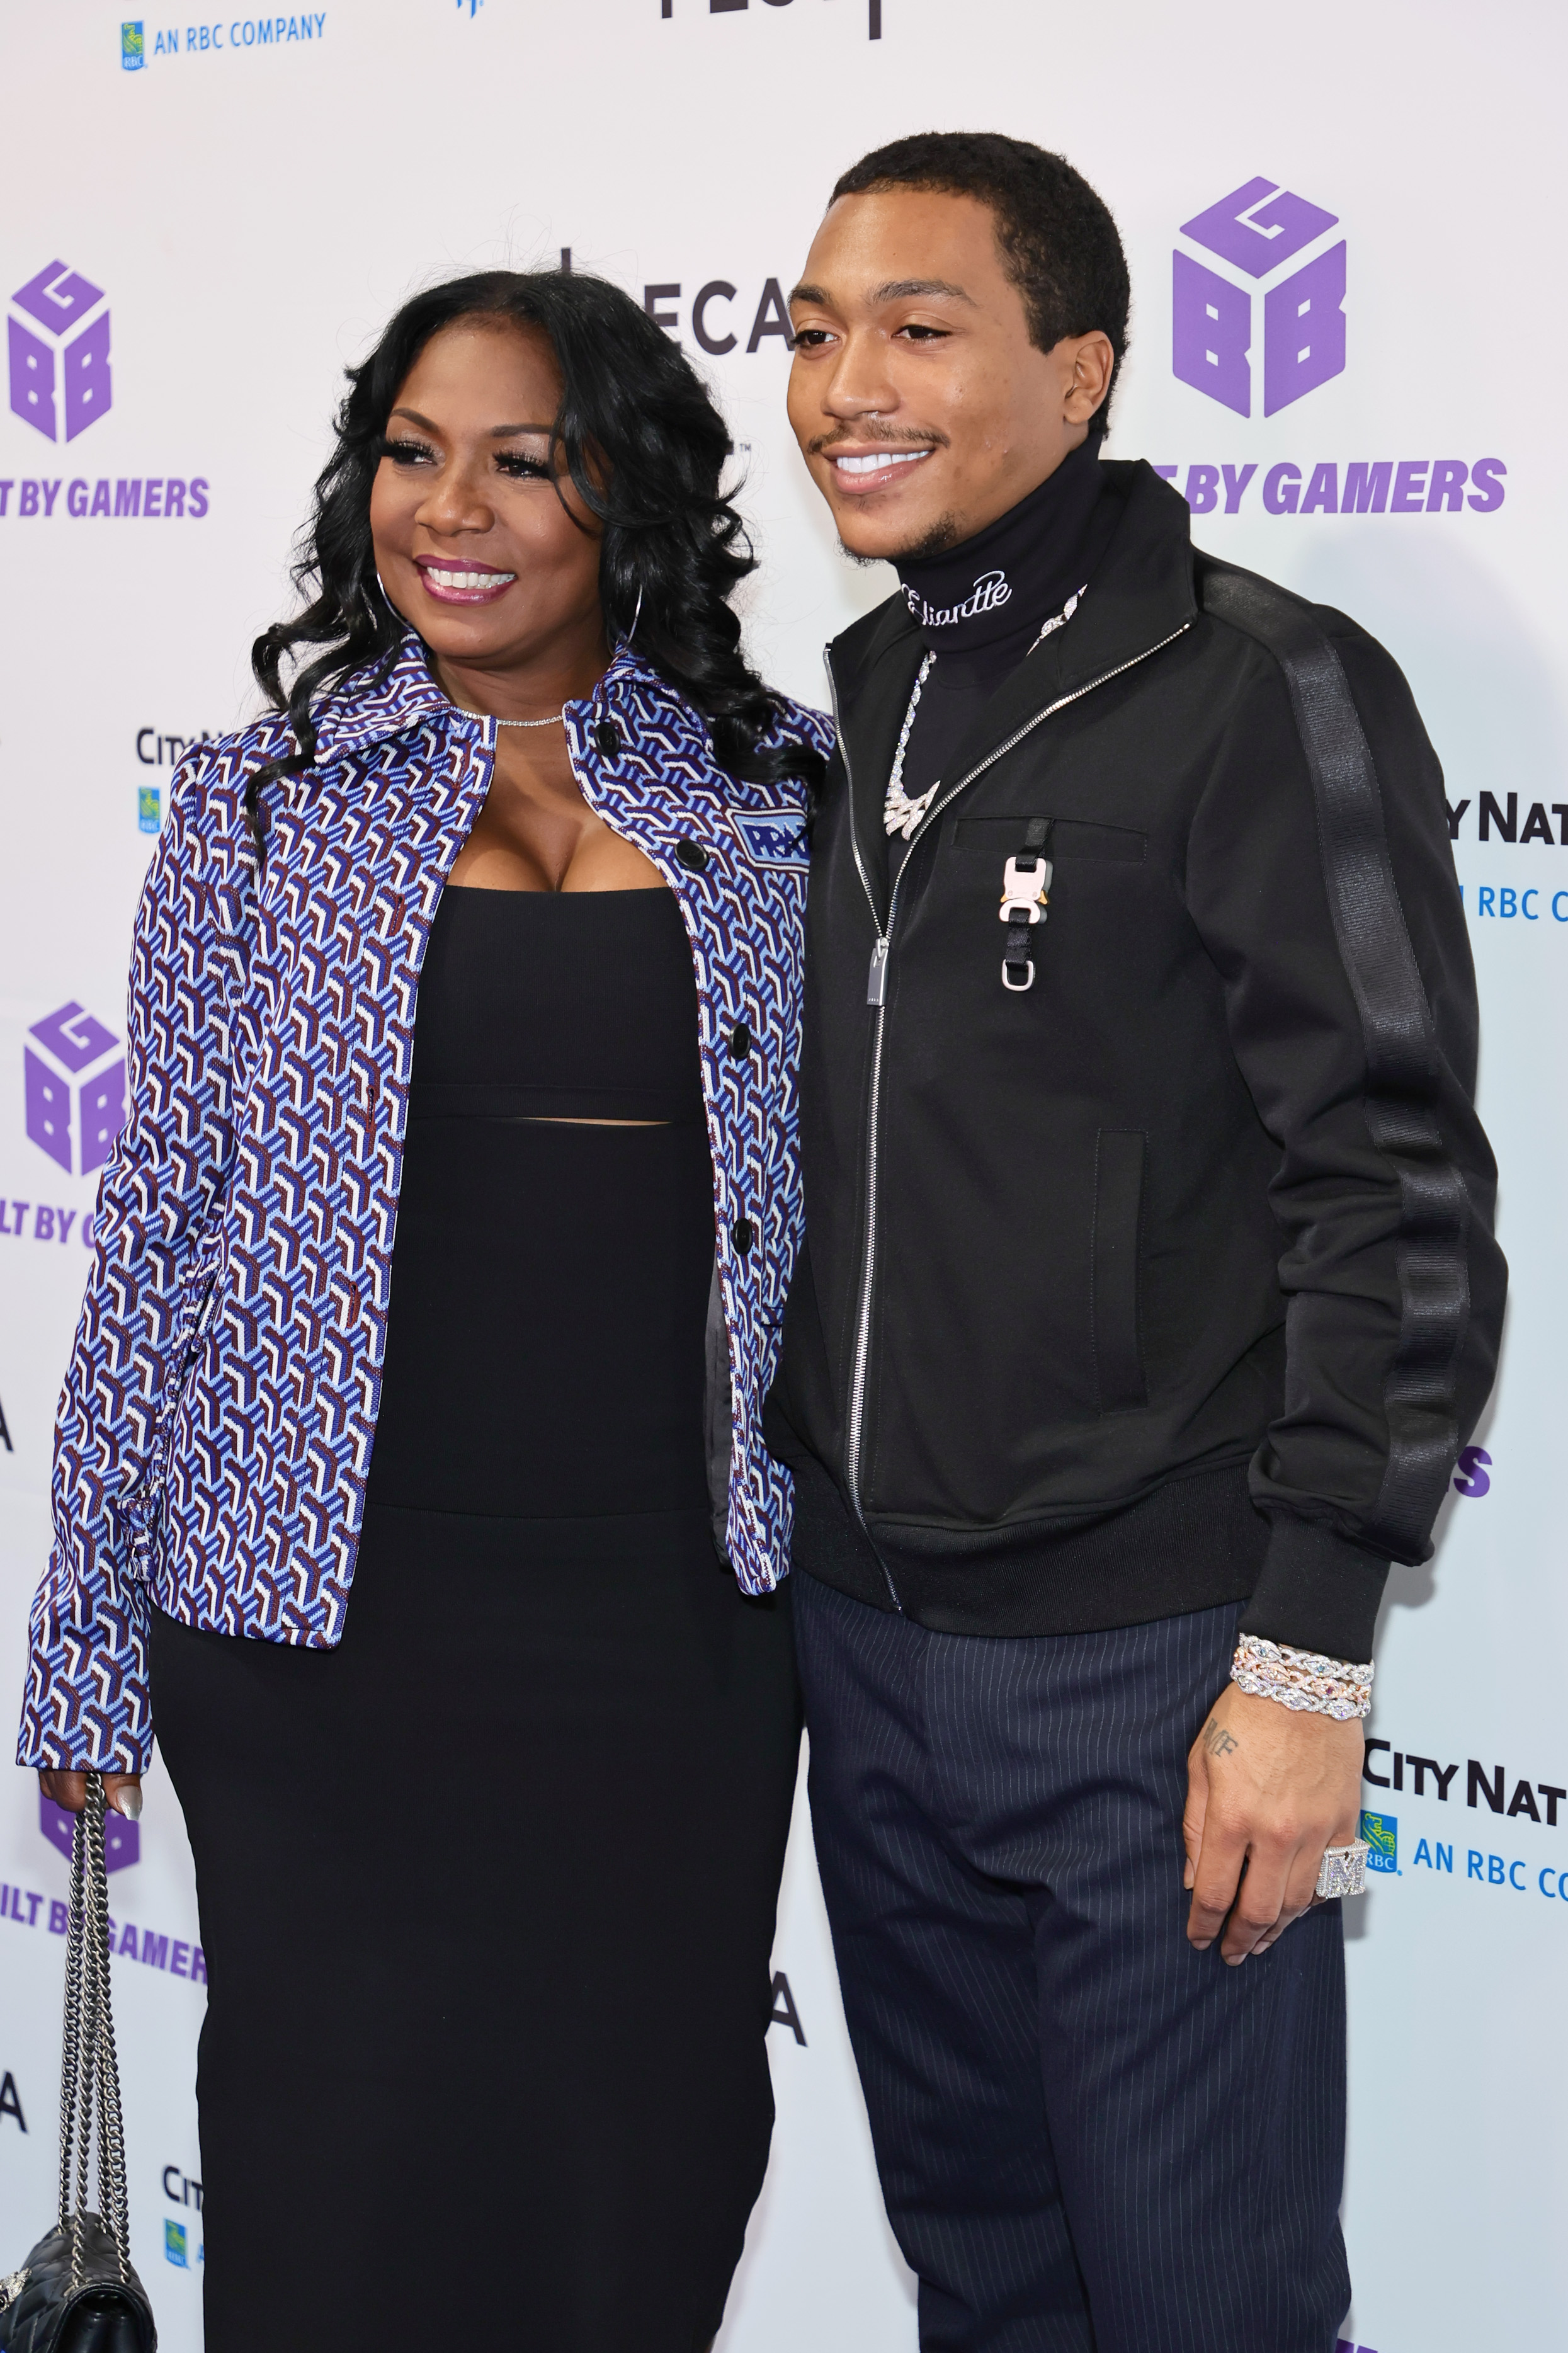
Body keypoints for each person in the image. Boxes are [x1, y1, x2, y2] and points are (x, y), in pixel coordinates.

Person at [21, 267, 829, 2353]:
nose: (444, 507)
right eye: (406, 451)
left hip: (679, 1640)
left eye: (519, 459)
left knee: (640, 2189)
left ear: (625, 500)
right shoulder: (258, 805)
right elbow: (160, 1241)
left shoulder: (783, 799)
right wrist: (84, 1659)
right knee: (336, 2196)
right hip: (315, 1649)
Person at [765, 133, 1504, 2351]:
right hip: (865, 1653)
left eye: (917, 327)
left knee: (1204, 2302)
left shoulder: (1256, 683)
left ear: (1078, 369)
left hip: (1151, 1674)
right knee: (985, 2280)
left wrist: (1299, 1661)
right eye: (811, 330)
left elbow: (1389, 1189)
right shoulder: (866, 694)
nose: (837, 384)